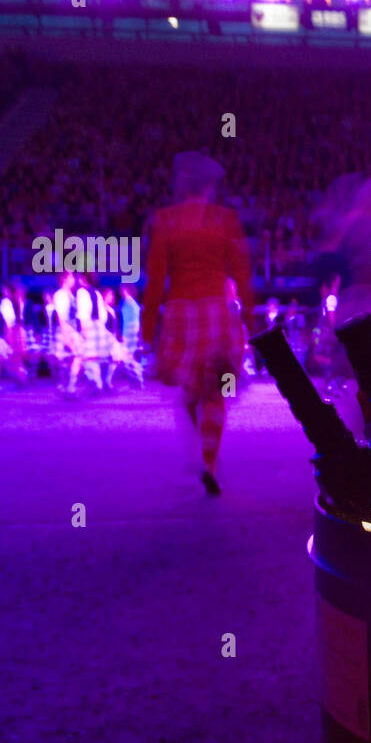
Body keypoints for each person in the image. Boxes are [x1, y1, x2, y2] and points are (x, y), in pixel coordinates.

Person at [142, 151, 253, 496]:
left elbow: (156, 279)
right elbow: (242, 275)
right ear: (209, 186)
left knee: (190, 391)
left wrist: (148, 330)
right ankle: (210, 461)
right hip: (216, 314)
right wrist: (251, 317)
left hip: (180, 314)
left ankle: (203, 452)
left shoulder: (164, 220)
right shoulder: (225, 219)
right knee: (217, 391)